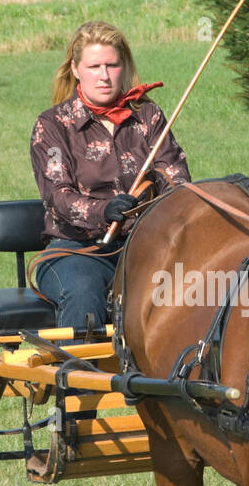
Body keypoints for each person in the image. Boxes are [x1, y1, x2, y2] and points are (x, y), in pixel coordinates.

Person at [30, 20, 191, 332]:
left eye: (112, 65)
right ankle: (77, 381)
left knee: (207, 285)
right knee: (83, 293)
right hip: (77, 250)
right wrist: (104, 210)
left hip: (147, 245)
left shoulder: (148, 116)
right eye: (94, 66)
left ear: (124, 66)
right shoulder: (51, 125)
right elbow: (58, 196)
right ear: (76, 69)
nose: (104, 76)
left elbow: (177, 178)